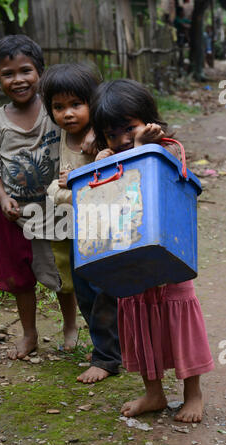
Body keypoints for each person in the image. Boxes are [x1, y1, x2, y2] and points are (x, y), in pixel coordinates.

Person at [90, 78, 214, 422]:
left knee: (178, 322)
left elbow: (157, 175)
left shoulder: (169, 148)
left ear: (149, 120)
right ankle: (154, 393)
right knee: (139, 321)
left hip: (168, 260)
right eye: (111, 135)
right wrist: (100, 162)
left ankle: (193, 394)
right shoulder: (109, 157)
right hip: (129, 258)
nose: (121, 140)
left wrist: (143, 147)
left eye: (128, 128)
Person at [0, 35, 78, 360]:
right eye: (8, 74)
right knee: (20, 279)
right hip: (13, 216)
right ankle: (30, 334)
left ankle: (70, 326)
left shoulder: (55, 111)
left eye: (26, 70)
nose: (18, 79)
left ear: (40, 72)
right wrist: (3, 197)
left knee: (64, 273)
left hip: (56, 210)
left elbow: (77, 139)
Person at [39, 63, 121, 383]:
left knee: (104, 291)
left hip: (103, 230)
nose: (68, 114)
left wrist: (98, 135)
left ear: (94, 104)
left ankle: (107, 357)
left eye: (77, 104)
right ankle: (108, 346)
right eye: (58, 107)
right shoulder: (61, 136)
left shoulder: (103, 140)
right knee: (85, 292)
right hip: (76, 231)